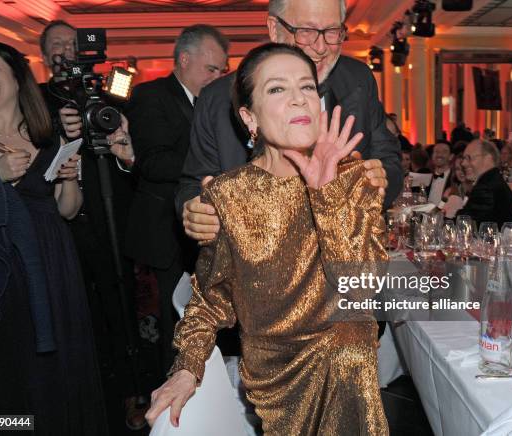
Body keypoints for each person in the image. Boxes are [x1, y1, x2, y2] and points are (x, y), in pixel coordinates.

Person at [146, 42, 389, 435]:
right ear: (249, 117)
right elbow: (211, 299)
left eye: (307, 87)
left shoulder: (353, 176)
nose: (298, 99)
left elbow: (364, 286)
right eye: (277, 89)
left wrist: (327, 195)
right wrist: (187, 368)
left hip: (349, 369)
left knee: (349, 345)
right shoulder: (228, 194)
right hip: (276, 377)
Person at [0, 41, 107, 435]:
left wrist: (69, 178)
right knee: (9, 373)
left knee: (62, 365)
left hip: (54, 263)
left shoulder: (49, 136)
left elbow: (67, 209)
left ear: (16, 76)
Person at [177, 0, 400, 244]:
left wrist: (373, 185)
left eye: (332, 31)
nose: (321, 47)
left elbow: (388, 161)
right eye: (306, 31)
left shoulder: (358, 79)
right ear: (274, 28)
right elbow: (193, 184)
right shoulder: (218, 98)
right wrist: (196, 213)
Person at [40, 20, 146, 430]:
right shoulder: (35, 100)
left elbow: (128, 160)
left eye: (71, 43)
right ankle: (89, 399)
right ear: (45, 54)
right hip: (63, 225)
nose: (65, 50)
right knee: (76, 315)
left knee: (123, 308)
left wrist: (121, 141)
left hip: (110, 221)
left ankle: (133, 394)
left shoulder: (109, 96)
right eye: (56, 45)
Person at [123, 24, 230, 372]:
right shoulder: (150, 96)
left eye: (221, 71)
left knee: (200, 322)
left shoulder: (216, 103)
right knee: (165, 331)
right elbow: (153, 163)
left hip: (200, 236)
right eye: (210, 69)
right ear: (184, 59)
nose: (217, 77)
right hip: (162, 237)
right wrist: (211, 160)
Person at [456, 139, 512, 227]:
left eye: (469, 158)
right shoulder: (493, 180)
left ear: (488, 159)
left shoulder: (485, 187)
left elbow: (465, 224)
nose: (463, 163)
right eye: (464, 159)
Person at [427, 140, 453, 206]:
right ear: (432, 156)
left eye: (444, 152)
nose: (439, 155)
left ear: (451, 157)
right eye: (436, 151)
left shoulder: (455, 180)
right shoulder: (426, 177)